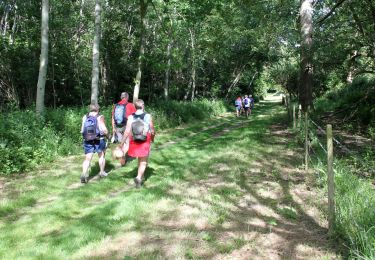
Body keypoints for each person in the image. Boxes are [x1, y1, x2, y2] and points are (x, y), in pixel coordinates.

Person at [119, 99, 155, 188]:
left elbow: (127, 131)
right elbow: (152, 130)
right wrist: (153, 139)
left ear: (135, 107)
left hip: (134, 140)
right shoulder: (147, 116)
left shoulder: (131, 117)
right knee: (143, 161)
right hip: (145, 140)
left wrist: (122, 143)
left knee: (139, 158)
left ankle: (141, 176)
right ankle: (138, 177)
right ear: (143, 105)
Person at [80, 104, 109, 183]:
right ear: (98, 110)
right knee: (101, 155)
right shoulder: (100, 117)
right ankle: (102, 172)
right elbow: (104, 130)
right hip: (99, 139)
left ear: (90, 109)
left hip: (87, 139)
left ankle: (84, 173)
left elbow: (82, 130)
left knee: (87, 158)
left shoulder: (85, 117)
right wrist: (108, 135)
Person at [112, 92, 136, 166]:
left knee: (121, 142)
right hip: (126, 126)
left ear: (121, 97)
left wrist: (113, 128)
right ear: (127, 97)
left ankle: (118, 153)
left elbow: (112, 118)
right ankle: (122, 156)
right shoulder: (130, 105)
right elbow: (135, 116)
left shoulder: (115, 106)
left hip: (117, 126)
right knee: (127, 144)